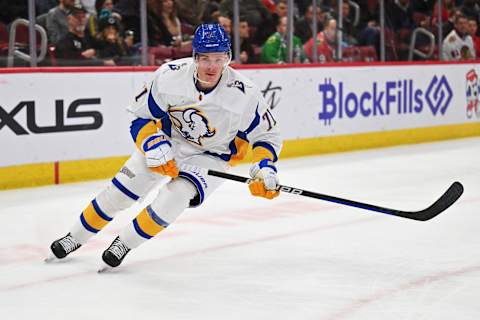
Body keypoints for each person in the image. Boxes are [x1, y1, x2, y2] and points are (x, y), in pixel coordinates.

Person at [46, 23, 282, 270]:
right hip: (168, 142)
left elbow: (266, 136)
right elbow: (140, 117)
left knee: (175, 198)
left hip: (211, 157)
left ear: (228, 57)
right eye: (205, 59)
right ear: (195, 57)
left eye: (219, 58)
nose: (212, 66)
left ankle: (124, 244)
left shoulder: (246, 93)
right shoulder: (170, 75)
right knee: (120, 192)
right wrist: (152, 144)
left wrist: (265, 167)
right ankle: (74, 236)